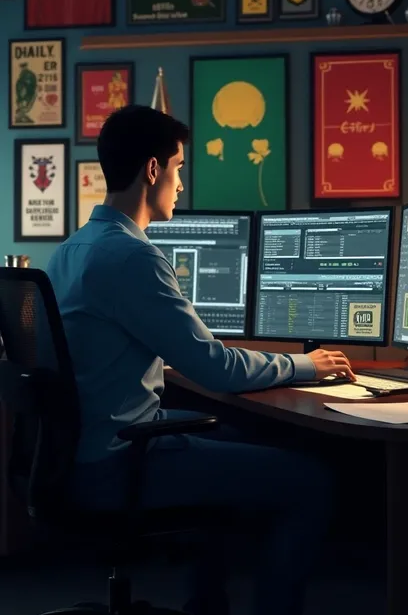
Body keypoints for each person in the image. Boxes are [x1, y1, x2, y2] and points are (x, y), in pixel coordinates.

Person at [47, 105, 356, 615]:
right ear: (153, 170)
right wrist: (310, 365)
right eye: (179, 170)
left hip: (78, 450)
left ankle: (204, 603)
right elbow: (217, 369)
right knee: (311, 481)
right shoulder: (132, 256)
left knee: (238, 439)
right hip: (113, 461)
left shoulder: (73, 248)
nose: (181, 185)